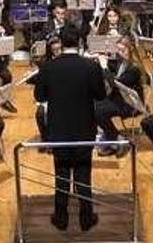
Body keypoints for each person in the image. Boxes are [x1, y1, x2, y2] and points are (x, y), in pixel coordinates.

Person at [33, 25, 107, 231]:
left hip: (59, 129)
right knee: (83, 175)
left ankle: (61, 217)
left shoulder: (49, 67)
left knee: (61, 175)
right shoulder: (91, 67)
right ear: (80, 43)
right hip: (84, 128)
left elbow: (39, 96)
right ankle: (86, 218)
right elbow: (101, 95)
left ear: (61, 43)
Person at [94, 37, 143, 157]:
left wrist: (104, 67)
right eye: (118, 51)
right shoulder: (122, 62)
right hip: (119, 99)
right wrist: (100, 59)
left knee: (98, 112)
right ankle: (114, 138)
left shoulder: (134, 69)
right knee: (93, 106)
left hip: (130, 104)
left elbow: (115, 83)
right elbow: (112, 71)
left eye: (122, 51)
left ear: (130, 49)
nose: (120, 54)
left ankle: (116, 139)